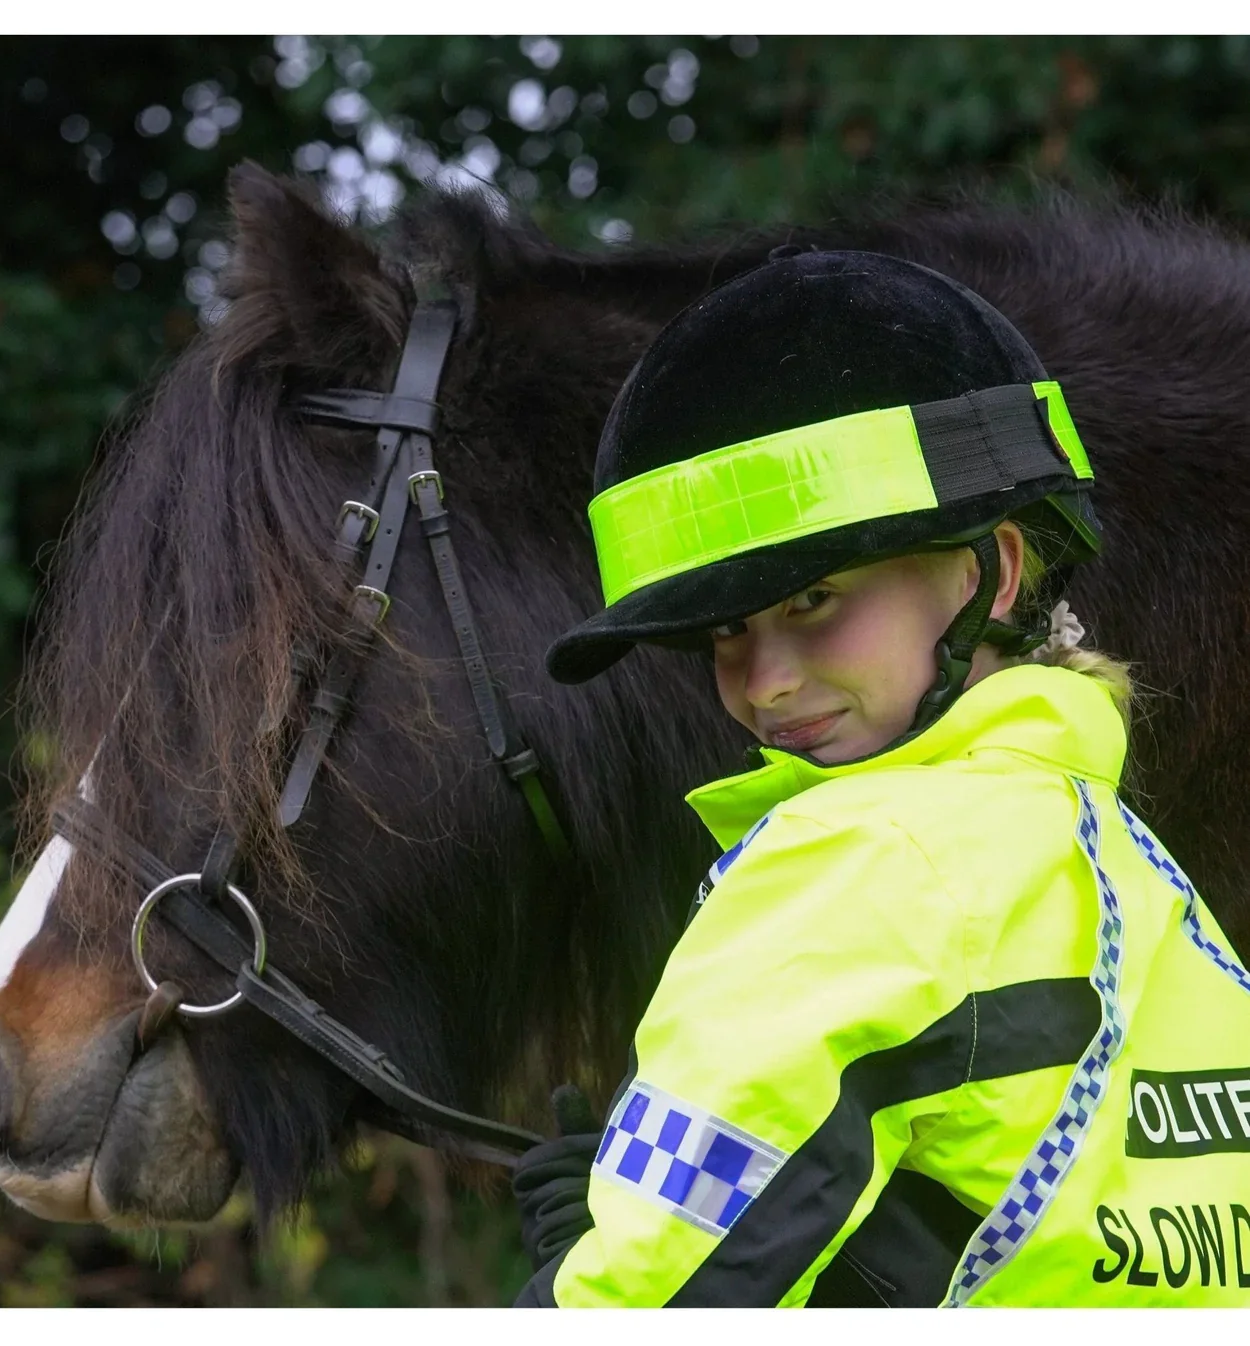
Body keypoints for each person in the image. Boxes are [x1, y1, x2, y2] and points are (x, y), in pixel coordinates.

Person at [512, 248, 1250, 1307]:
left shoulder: (848, 862)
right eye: (725, 626)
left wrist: (569, 1284)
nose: (761, 684)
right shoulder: (1146, 895)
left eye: (812, 597)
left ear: (988, 573)